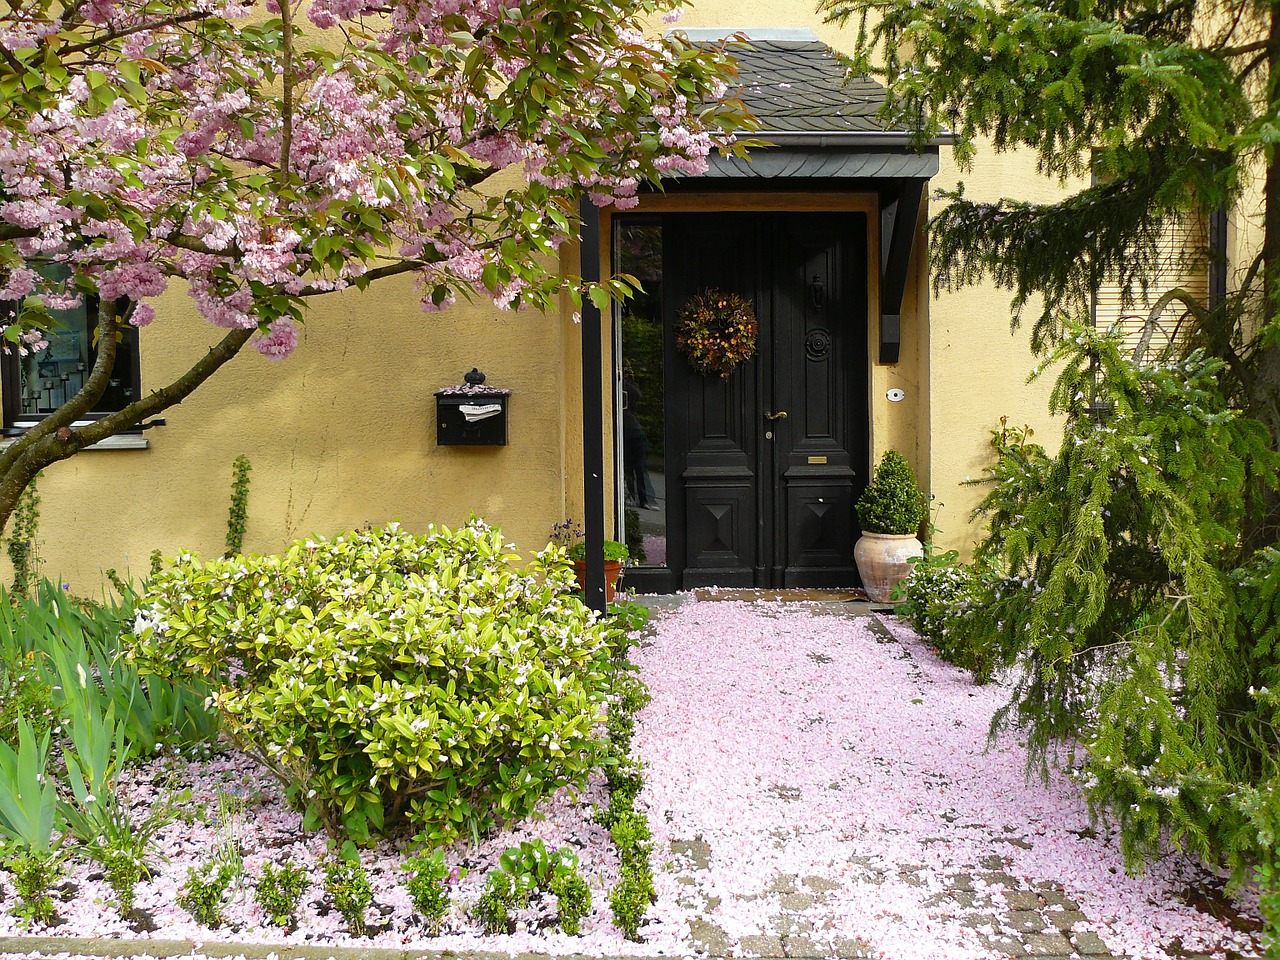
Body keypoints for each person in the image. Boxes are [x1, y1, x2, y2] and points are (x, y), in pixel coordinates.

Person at [622, 366, 651, 509]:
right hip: (628, 431)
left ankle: (642, 499)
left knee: (638, 469)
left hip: (633, 431)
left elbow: (637, 395)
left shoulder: (629, 390)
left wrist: (626, 382)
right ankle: (634, 498)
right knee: (630, 469)